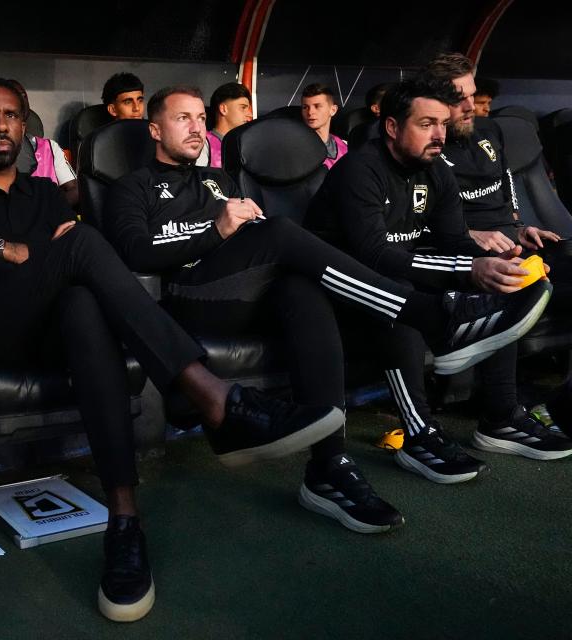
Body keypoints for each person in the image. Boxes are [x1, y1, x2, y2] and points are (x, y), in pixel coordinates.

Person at [0, 76, 361, 624]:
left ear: (25, 126)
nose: (2, 125)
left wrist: (9, 254)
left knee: (83, 305)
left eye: (12, 115)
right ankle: (211, 395)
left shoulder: (42, 192)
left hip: (49, 324)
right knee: (80, 247)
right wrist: (22, 251)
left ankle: (124, 520)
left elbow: (58, 268)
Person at [103, 84, 549, 532]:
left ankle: (329, 467)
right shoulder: (132, 187)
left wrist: (242, 231)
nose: (197, 127)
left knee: (303, 288)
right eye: (183, 118)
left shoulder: (219, 180)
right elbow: (134, 255)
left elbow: (255, 244)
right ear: (155, 129)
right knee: (279, 232)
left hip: (249, 291)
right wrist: (217, 231)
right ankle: (434, 317)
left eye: (201, 118)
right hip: (190, 298)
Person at [305, 75, 568, 487]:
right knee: (399, 298)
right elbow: (373, 255)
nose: (439, 135)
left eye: (443, 124)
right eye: (426, 124)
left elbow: (453, 244)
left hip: (395, 272)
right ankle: (418, 434)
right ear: (392, 127)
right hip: (337, 285)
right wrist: (465, 269)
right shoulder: (360, 168)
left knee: (502, 281)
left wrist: (495, 264)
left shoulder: (435, 170)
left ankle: (500, 418)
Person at [424, 52, 572, 458]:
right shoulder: (424, 144)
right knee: (507, 280)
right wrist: (472, 234)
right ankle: (500, 419)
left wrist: (522, 227)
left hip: (516, 244)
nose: (471, 105)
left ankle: (563, 406)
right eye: (459, 99)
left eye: (472, 94)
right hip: (465, 253)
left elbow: (504, 193)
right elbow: (413, 217)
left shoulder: (489, 132)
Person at [7, 79, 79, 208]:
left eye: (23, 96)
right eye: (12, 96)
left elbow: (74, 189)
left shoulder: (50, 147)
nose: (20, 101)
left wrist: (47, 211)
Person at [301, 83, 348, 169]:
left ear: (333, 110)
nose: (310, 112)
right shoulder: (295, 147)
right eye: (305, 107)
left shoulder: (344, 147)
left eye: (317, 106)